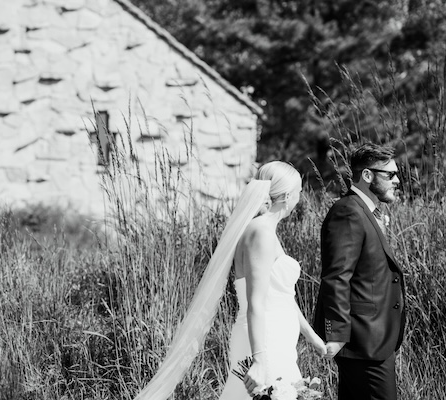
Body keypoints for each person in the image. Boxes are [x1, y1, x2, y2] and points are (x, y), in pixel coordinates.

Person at [134, 161, 326, 400]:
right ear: (287, 196)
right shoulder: (261, 234)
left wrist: (312, 337)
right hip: (265, 340)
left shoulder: (266, 232)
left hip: (277, 339)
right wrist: (258, 359)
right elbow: (255, 301)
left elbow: (282, 295)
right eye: (298, 191)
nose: (300, 197)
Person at [313, 143, 406, 400]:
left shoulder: (367, 211)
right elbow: (336, 277)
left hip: (375, 339)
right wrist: (337, 334)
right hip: (361, 340)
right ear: (367, 175)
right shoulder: (347, 211)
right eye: (390, 175)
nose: (397, 180)